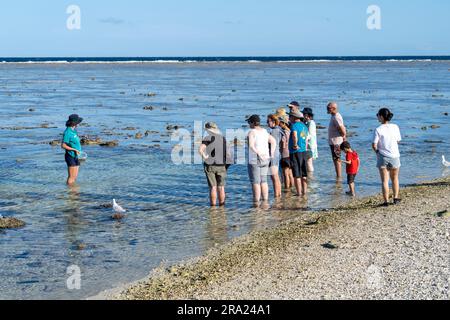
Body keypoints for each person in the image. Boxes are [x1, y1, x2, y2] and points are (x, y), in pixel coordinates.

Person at [372, 108, 402, 206]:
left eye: (377, 115)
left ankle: (386, 202)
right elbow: (398, 141)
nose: (377, 117)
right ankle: (396, 198)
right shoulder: (395, 126)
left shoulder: (378, 129)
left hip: (383, 156)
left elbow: (374, 144)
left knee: (385, 180)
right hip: (395, 156)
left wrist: (377, 152)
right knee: (395, 178)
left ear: (381, 116)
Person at [246, 115, 277, 203]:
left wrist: (258, 153)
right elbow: (273, 141)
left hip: (255, 159)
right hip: (266, 158)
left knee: (255, 182)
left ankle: (256, 203)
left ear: (252, 123)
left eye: (249, 122)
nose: (249, 125)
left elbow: (251, 146)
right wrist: (272, 153)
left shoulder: (252, 132)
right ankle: (265, 201)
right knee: (264, 181)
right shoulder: (264, 131)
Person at [199, 122, 229, 207]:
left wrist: (205, 157)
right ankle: (222, 207)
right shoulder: (223, 138)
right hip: (222, 165)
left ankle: (213, 208)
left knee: (213, 187)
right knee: (221, 187)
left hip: (211, 165)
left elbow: (200, 150)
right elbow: (228, 154)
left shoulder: (208, 138)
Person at [288, 110, 310, 196]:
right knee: (304, 173)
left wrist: (294, 145)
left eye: (290, 116)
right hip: (303, 151)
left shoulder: (294, 126)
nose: (289, 118)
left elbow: (294, 135)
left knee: (296, 174)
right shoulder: (304, 126)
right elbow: (306, 138)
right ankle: (304, 192)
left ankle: (299, 193)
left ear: (294, 117)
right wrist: (304, 146)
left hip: (295, 151)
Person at [61, 114, 83, 185]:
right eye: (77, 122)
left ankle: (73, 192)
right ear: (74, 123)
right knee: (71, 177)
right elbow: (63, 145)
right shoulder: (67, 132)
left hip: (77, 155)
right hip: (70, 156)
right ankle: (70, 194)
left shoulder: (74, 131)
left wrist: (79, 151)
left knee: (74, 177)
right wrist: (74, 150)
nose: (79, 123)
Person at [327, 102, 347, 179]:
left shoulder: (336, 117)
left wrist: (343, 136)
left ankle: (339, 177)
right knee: (335, 159)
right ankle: (338, 176)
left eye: (329, 108)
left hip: (336, 143)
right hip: (334, 142)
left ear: (334, 108)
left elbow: (342, 128)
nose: (327, 109)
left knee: (337, 159)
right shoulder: (333, 116)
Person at [267, 115, 283, 198]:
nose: (267, 123)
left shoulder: (274, 131)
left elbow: (273, 143)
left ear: (273, 121)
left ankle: (277, 195)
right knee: (276, 175)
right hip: (277, 154)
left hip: (273, 155)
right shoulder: (279, 129)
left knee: (274, 176)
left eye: (268, 121)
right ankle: (278, 194)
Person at [278, 116, 294, 190]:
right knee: (290, 173)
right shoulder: (290, 131)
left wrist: (280, 149)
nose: (278, 124)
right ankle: (292, 187)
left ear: (284, 123)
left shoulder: (284, 133)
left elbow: (283, 145)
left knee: (285, 174)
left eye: (280, 123)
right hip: (291, 154)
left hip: (284, 155)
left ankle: (287, 189)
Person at [302, 108, 318, 174]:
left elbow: (309, 135)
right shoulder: (306, 122)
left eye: (304, 114)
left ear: (308, 116)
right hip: (307, 144)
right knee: (308, 162)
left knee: (309, 162)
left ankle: (311, 176)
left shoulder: (311, 123)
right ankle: (309, 176)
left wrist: (303, 137)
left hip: (310, 146)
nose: (303, 116)